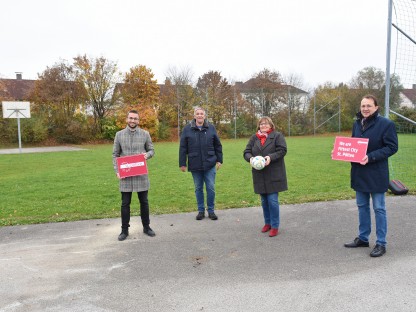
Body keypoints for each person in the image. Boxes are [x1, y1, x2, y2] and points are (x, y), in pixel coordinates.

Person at [343, 95, 398, 257]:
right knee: (362, 206)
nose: (365, 109)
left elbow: (392, 147)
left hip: (376, 172)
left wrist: (371, 156)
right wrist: (341, 152)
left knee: (379, 208)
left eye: (368, 106)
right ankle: (363, 237)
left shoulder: (386, 124)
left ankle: (381, 243)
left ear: (376, 107)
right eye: (363, 106)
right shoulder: (356, 123)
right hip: (359, 172)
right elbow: (354, 145)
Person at [112, 109, 156, 241]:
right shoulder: (119, 135)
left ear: (138, 120)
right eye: (131, 118)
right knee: (125, 203)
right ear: (127, 119)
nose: (133, 121)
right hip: (125, 175)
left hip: (141, 175)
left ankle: (146, 227)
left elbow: (152, 150)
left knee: (144, 202)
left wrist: (146, 155)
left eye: (135, 118)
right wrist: (117, 171)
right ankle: (124, 230)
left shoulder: (145, 134)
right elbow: (115, 154)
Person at [243, 116, 288, 237]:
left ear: (271, 125)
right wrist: (250, 158)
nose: (263, 126)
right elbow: (246, 152)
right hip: (259, 174)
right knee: (264, 201)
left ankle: (275, 226)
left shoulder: (277, 136)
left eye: (266, 124)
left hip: (273, 173)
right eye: (261, 124)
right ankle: (267, 223)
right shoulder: (254, 138)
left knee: (272, 200)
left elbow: (282, 150)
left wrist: (270, 157)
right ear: (259, 126)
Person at [179, 107, 223, 220]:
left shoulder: (211, 128)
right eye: (197, 114)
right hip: (195, 164)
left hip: (210, 163)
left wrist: (219, 160)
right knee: (198, 188)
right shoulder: (187, 129)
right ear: (194, 116)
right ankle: (201, 211)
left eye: (201, 114)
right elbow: (183, 148)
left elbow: (218, 145)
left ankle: (211, 211)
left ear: (204, 116)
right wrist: (182, 163)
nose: (199, 115)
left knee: (211, 188)